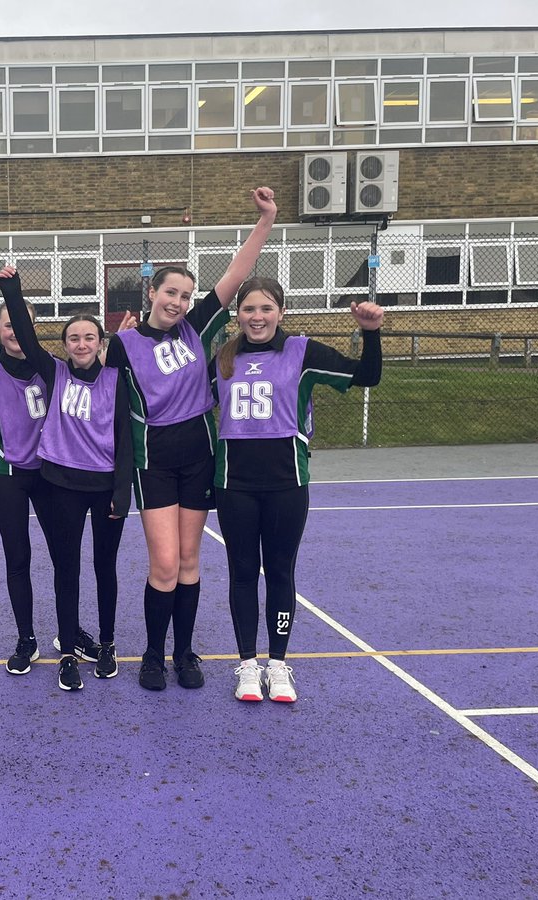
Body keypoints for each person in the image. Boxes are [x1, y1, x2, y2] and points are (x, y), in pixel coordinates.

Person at [107, 187, 277, 692]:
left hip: (198, 456)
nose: (179, 303)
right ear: (151, 294)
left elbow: (237, 274)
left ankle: (184, 653)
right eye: (170, 293)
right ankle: (153, 656)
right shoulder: (123, 344)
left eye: (185, 295)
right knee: (162, 564)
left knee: (187, 561)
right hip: (154, 459)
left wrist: (265, 220)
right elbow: (99, 400)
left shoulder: (198, 329)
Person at [210, 277, 383, 703]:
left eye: (266, 308)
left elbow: (368, 376)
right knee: (243, 573)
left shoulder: (302, 352)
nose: (257, 317)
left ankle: (279, 664)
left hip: (287, 483)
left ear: (281, 312)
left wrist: (371, 333)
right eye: (249, 309)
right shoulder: (221, 359)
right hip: (233, 484)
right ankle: (248, 665)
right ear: (238, 315)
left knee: (282, 572)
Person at [0, 295, 104, 675]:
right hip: (9, 475)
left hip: (52, 475)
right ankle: (26, 637)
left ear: (34, 329)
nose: (16, 331)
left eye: (23, 324)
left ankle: (69, 632)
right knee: (18, 558)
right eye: (9, 324)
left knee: (65, 558)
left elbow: (96, 381)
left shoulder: (54, 368)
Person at [0, 267, 133, 691]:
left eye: (88, 337)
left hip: (105, 486)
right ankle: (69, 651)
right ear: (65, 345)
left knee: (104, 566)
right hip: (62, 486)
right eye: (73, 338)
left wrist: (122, 491)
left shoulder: (115, 380)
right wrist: (12, 289)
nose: (81, 344)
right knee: (67, 569)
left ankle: (107, 644)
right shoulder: (55, 373)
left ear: (100, 342)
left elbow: (126, 440)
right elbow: (23, 330)